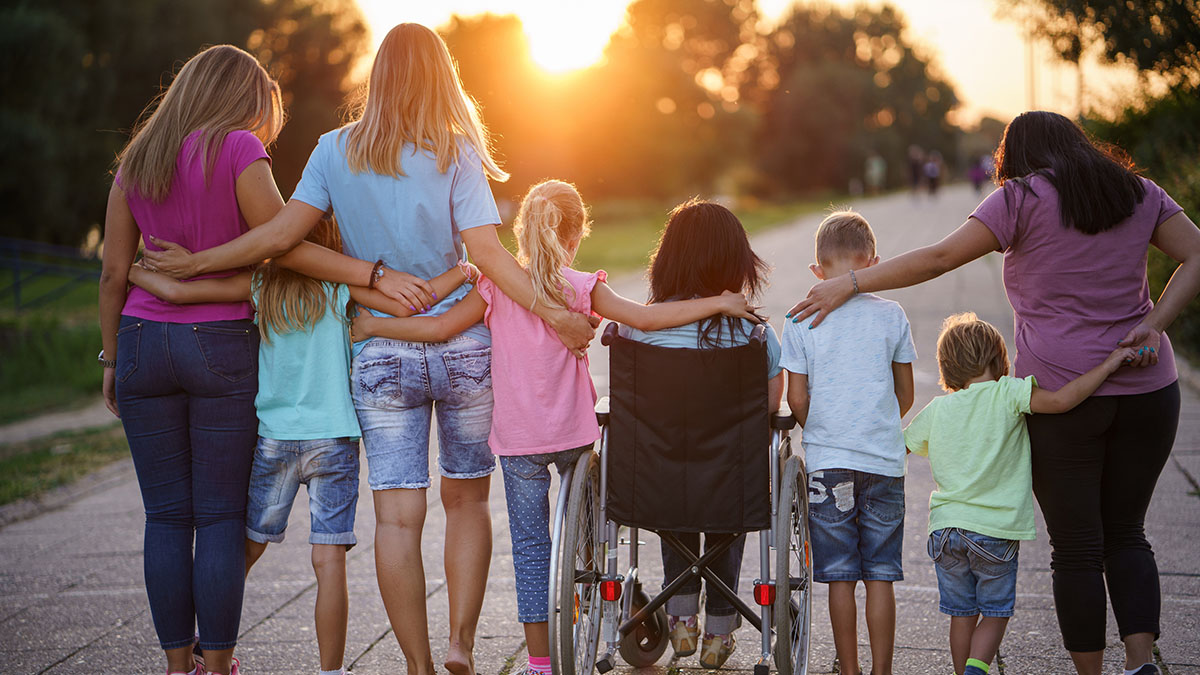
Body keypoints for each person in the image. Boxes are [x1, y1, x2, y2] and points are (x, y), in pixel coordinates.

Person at [140, 24, 596, 675]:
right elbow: (489, 256)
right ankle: (461, 645)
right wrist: (555, 312)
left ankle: (417, 665)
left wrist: (203, 263)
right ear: (443, 78)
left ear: (377, 77)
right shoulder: (457, 151)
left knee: (397, 517)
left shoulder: (332, 151)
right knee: (466, 499)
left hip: (382, 353)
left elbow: (283, 240)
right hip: (464, 349)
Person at [787, 110, 1200, 675]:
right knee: (1129, 534)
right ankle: (1139, 663)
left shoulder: (1021, 199)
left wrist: (851, 283)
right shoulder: (1136, 191)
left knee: (1077, 547)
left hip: (1061, 395)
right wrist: (1156, 322)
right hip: (1150, 392)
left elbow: (938, 258)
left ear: (1016, 159)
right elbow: (1197, 252)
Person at [351, 183, 757, 675]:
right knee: (588, 533)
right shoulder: (582, 286)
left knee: (529, 549)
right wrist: (718, 303)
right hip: (575, 436)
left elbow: (438, 329)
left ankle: (541, 662)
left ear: (523, 228)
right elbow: (647, 320)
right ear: (575, 234)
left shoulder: (497, 286)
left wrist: (374, 327)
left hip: (519, 442)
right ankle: (593, 589)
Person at [128, 217, 477, 675]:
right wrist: (464, 272)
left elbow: (177, 293)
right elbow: (414, 304)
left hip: (274, 439)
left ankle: (205, 638)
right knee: (328, 560)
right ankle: (331, 671)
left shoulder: (261, 287)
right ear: (331, 247)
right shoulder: (339, 289)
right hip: (333, 441)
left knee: (245, 547)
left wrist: (128, 270)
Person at [904, 313, 1138, 675]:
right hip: (994, 531)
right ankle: (974, 671)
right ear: (999, 360)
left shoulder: (938, 409)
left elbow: (901, 445)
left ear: (947, 367)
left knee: (961, 614)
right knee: (995, 614)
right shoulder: (1008, 393)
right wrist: (1107, 366)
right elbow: (1062, 401)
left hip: (945, 531)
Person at [621, 200, 784, 669]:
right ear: (736, 263)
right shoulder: (754, 335)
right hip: (729, 478)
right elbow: (770, 406)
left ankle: (680, 620)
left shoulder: (640, 331)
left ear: (667, 260)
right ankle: (718, 632)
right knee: (726, 499)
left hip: (657, 476)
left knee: (677, 492)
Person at [781, 210, 915, 675]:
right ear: (873, 264)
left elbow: (796, 397)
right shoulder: (892, 315)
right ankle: (882, 671)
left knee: (839, 576)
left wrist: (824, 429)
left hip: (828, 464)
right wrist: (873, 425)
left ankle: (851, 670)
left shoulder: (799, 320)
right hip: (883, 462)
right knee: (880, 575)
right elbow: (906, 394)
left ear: (817, 271)